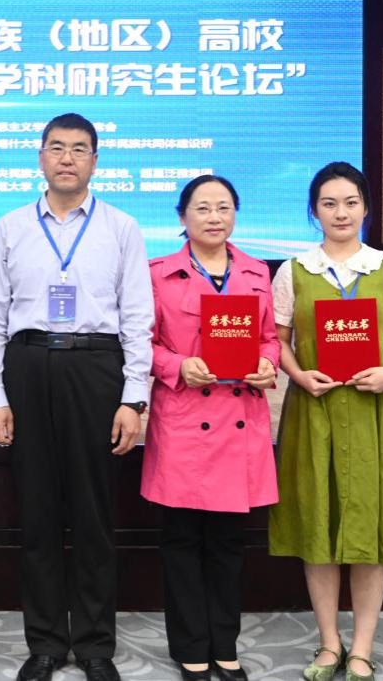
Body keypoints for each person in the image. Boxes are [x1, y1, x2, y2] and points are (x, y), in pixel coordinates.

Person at [0, 113, 153, 681]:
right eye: (57, 148)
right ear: (40, 157)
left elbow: (138, 317)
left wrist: (133, 398)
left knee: (93, 514)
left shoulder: (121, 227)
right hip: (28, 366)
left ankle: (96, 644)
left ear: (95, 161)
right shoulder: (10, 227)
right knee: (38, 513)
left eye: (80, 149)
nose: (67, 159)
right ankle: (47, 643)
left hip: (96, 368)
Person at [268, 161, 383, 681]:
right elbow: (278, 341)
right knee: (319, 526)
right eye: (328, 203)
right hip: (315, 411)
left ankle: (362, 648)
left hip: (373, 412)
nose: (341, 213)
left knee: (369, 529)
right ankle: (330, 644)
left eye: (351, 202)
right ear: (314, 211)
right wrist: (297, 375)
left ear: (366, 207)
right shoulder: (294, 271)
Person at [141, 175, 280, 681]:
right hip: (184, 419)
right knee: (182, 541)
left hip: (239, 420)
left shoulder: (257, 272)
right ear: (183, 217)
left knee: (227, 542)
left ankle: (225, 645)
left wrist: (268, 364)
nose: (214, 217)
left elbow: (269, 338)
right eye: (202, 208)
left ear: (235, 214)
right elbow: (141, 341)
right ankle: (191, 647)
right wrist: (177, 366)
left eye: (224, 207)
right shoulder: (158, 274)